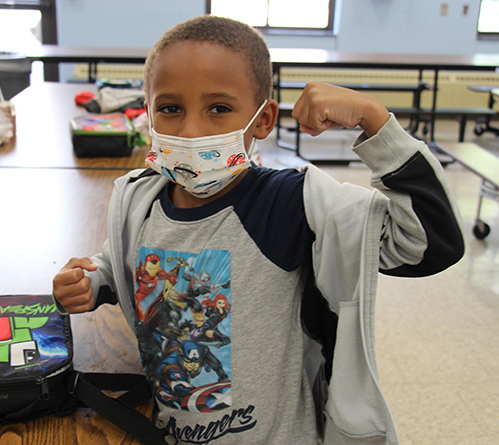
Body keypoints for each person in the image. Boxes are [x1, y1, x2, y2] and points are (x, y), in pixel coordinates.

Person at [52, 15, 464, 445]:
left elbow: (430, 243)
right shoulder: (140, 201)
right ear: (149, 115)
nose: (192, 130)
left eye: (219, 108)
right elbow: (130, 262)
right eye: (171, 109)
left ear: (263, 120)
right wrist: (95, 279)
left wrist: (374, 121)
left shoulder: (291, 205)